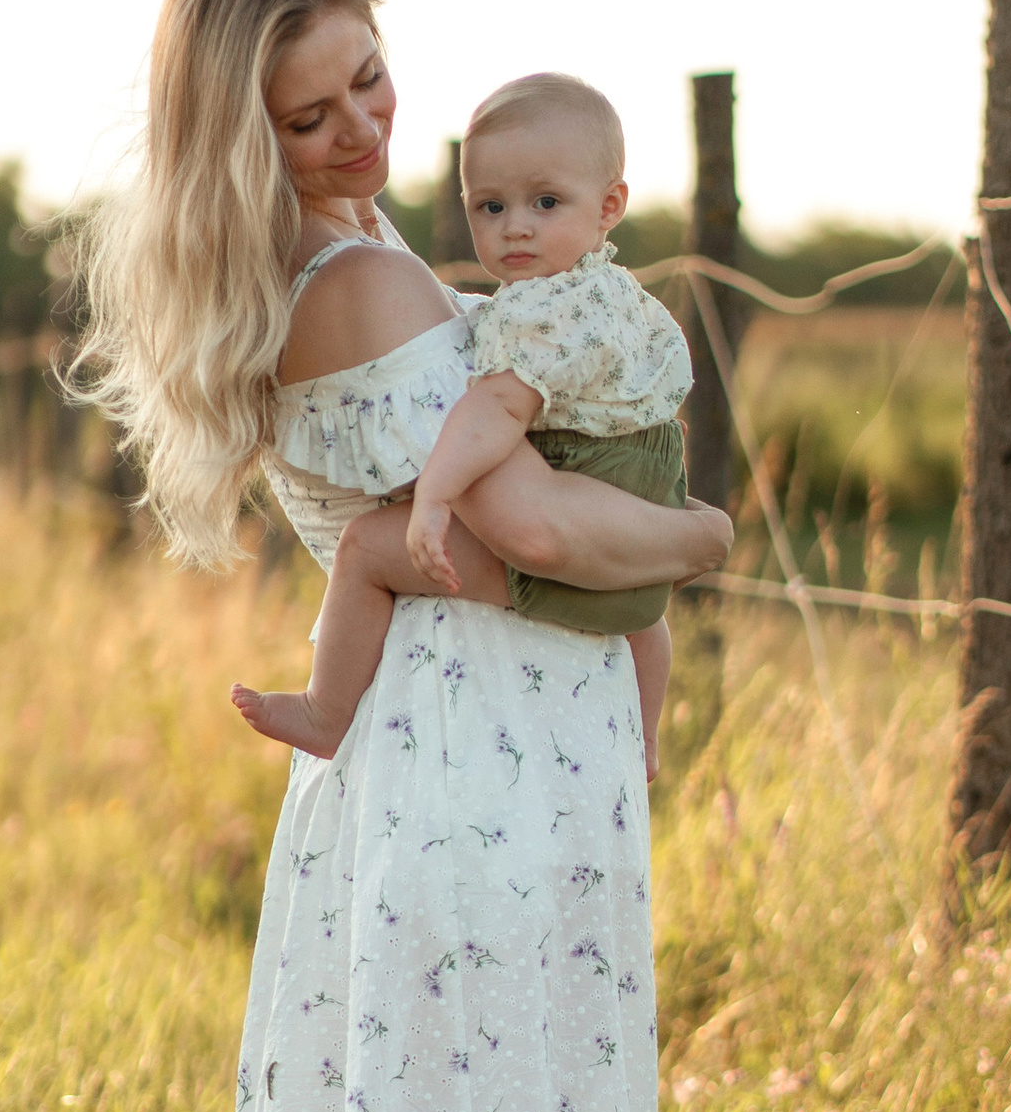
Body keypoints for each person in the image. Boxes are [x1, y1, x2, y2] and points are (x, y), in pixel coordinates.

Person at [74, 0, 726, 1112]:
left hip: (485, 767)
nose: (362, 133)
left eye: (369, 82)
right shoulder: (350, 285)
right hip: (470, 786)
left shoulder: (363, 245)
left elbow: (412, 531)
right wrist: (705, 543)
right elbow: (529, 530)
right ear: (236, 141)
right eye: (308, 116)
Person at [229, 70, 694, 782]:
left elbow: (496, 413)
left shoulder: (540, 309)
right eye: (490, 205)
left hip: (579, 481)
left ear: (610, 206)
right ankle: (648, 741)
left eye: (545, 202)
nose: (516, 225)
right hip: (642, 473)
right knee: (643, 620)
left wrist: (439, 494)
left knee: (364, 550)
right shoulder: (613, 293)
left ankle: (327, 710)